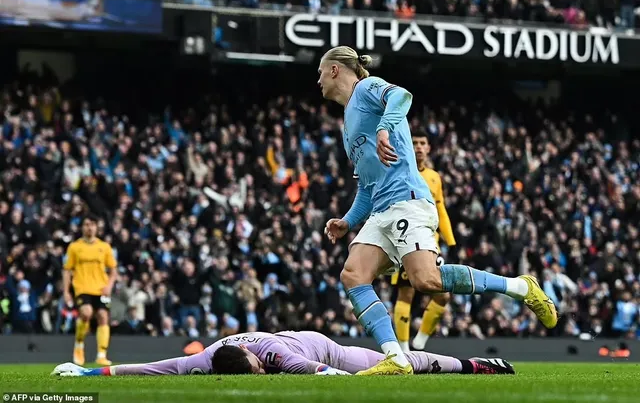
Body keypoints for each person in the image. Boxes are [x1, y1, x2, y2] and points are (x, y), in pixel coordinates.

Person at [318, 46, 557, 375]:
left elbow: (402, 96)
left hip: (408, 199)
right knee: (353, 274)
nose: (317, 80)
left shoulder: (366, 89)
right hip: (382, 209)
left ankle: (520, 287)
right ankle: (397, 358)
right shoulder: (347, 127)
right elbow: (366, 187)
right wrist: (347, 221)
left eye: (320, 72)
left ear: (334, 70)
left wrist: (385, 128)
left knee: (426, 281)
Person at [50, 331, 515, 376]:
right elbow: (152, 368)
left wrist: (346, 381)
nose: (261, 373)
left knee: (401, 364)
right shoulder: (202, 360)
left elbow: (313, 371)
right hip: (308, 352)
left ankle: (477, 364)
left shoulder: (274, 354)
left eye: (256, 371)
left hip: (324, 351)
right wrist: (91, 375)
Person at [392, 129, 456, 351]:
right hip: (406, 238)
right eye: (415, 142)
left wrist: (450, 239)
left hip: (431, 242)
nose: (419, 146)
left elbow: (441, 209)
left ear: (429, 148)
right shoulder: (400, 172)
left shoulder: (434, 177)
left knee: (443, 296)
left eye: (422, 143)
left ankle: (420, 340)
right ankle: (403, 348)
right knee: (406, 293)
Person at [63, 214, 118, 366]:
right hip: (82, 287)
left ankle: (101, 355)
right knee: (86, 313)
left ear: (97, 227)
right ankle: (79, 344)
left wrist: (109, 286)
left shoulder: (104, 247)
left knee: (102, 316)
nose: (90, 227)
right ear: (82, 227)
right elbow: (67, 270)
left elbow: (113, 270)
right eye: (87, 224)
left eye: (92, 224)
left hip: (101, 288)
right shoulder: (75, 247)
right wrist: (66, 291)